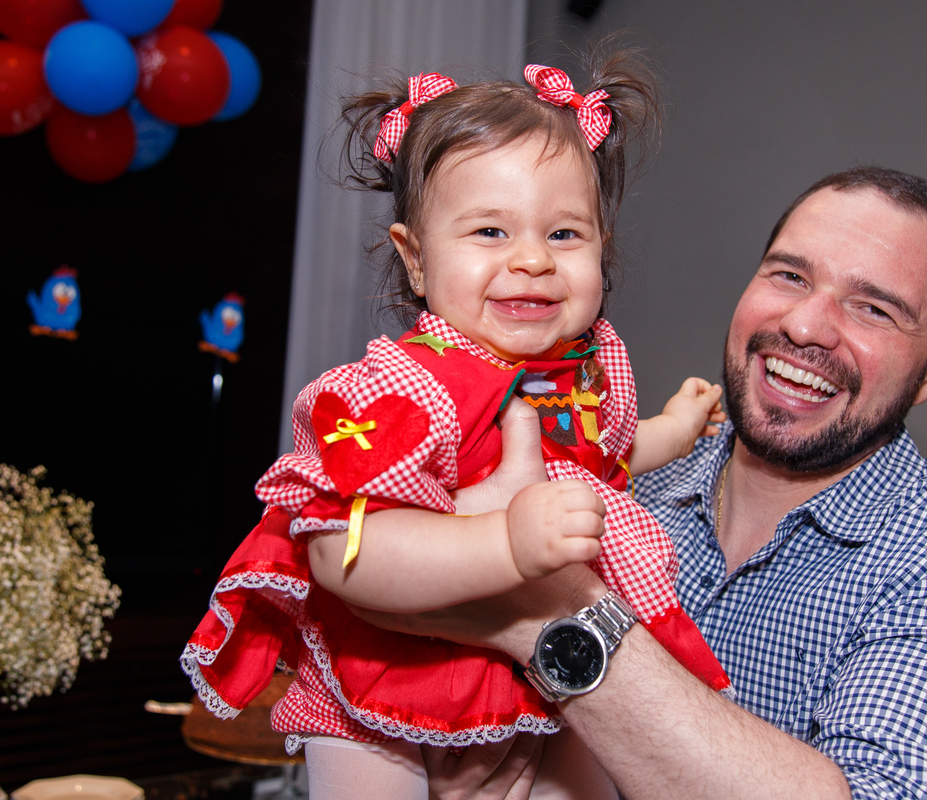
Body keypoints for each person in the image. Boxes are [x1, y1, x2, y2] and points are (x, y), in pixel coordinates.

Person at [353, 166, 927, 799]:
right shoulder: (622, 485)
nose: (805, 325)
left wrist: (553, 612)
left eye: (873, 308)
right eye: (789, 275)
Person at [180, 49, 734, 800]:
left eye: (565, 234)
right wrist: (503, 542)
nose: (534, 259)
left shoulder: (592, 369)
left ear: (605, 248)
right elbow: (345, 556)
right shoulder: (409, 388)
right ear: (415, 260)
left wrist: (675, 423)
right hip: (387, 682)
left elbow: (608, 459)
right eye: (490, 233)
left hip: (542, 682)